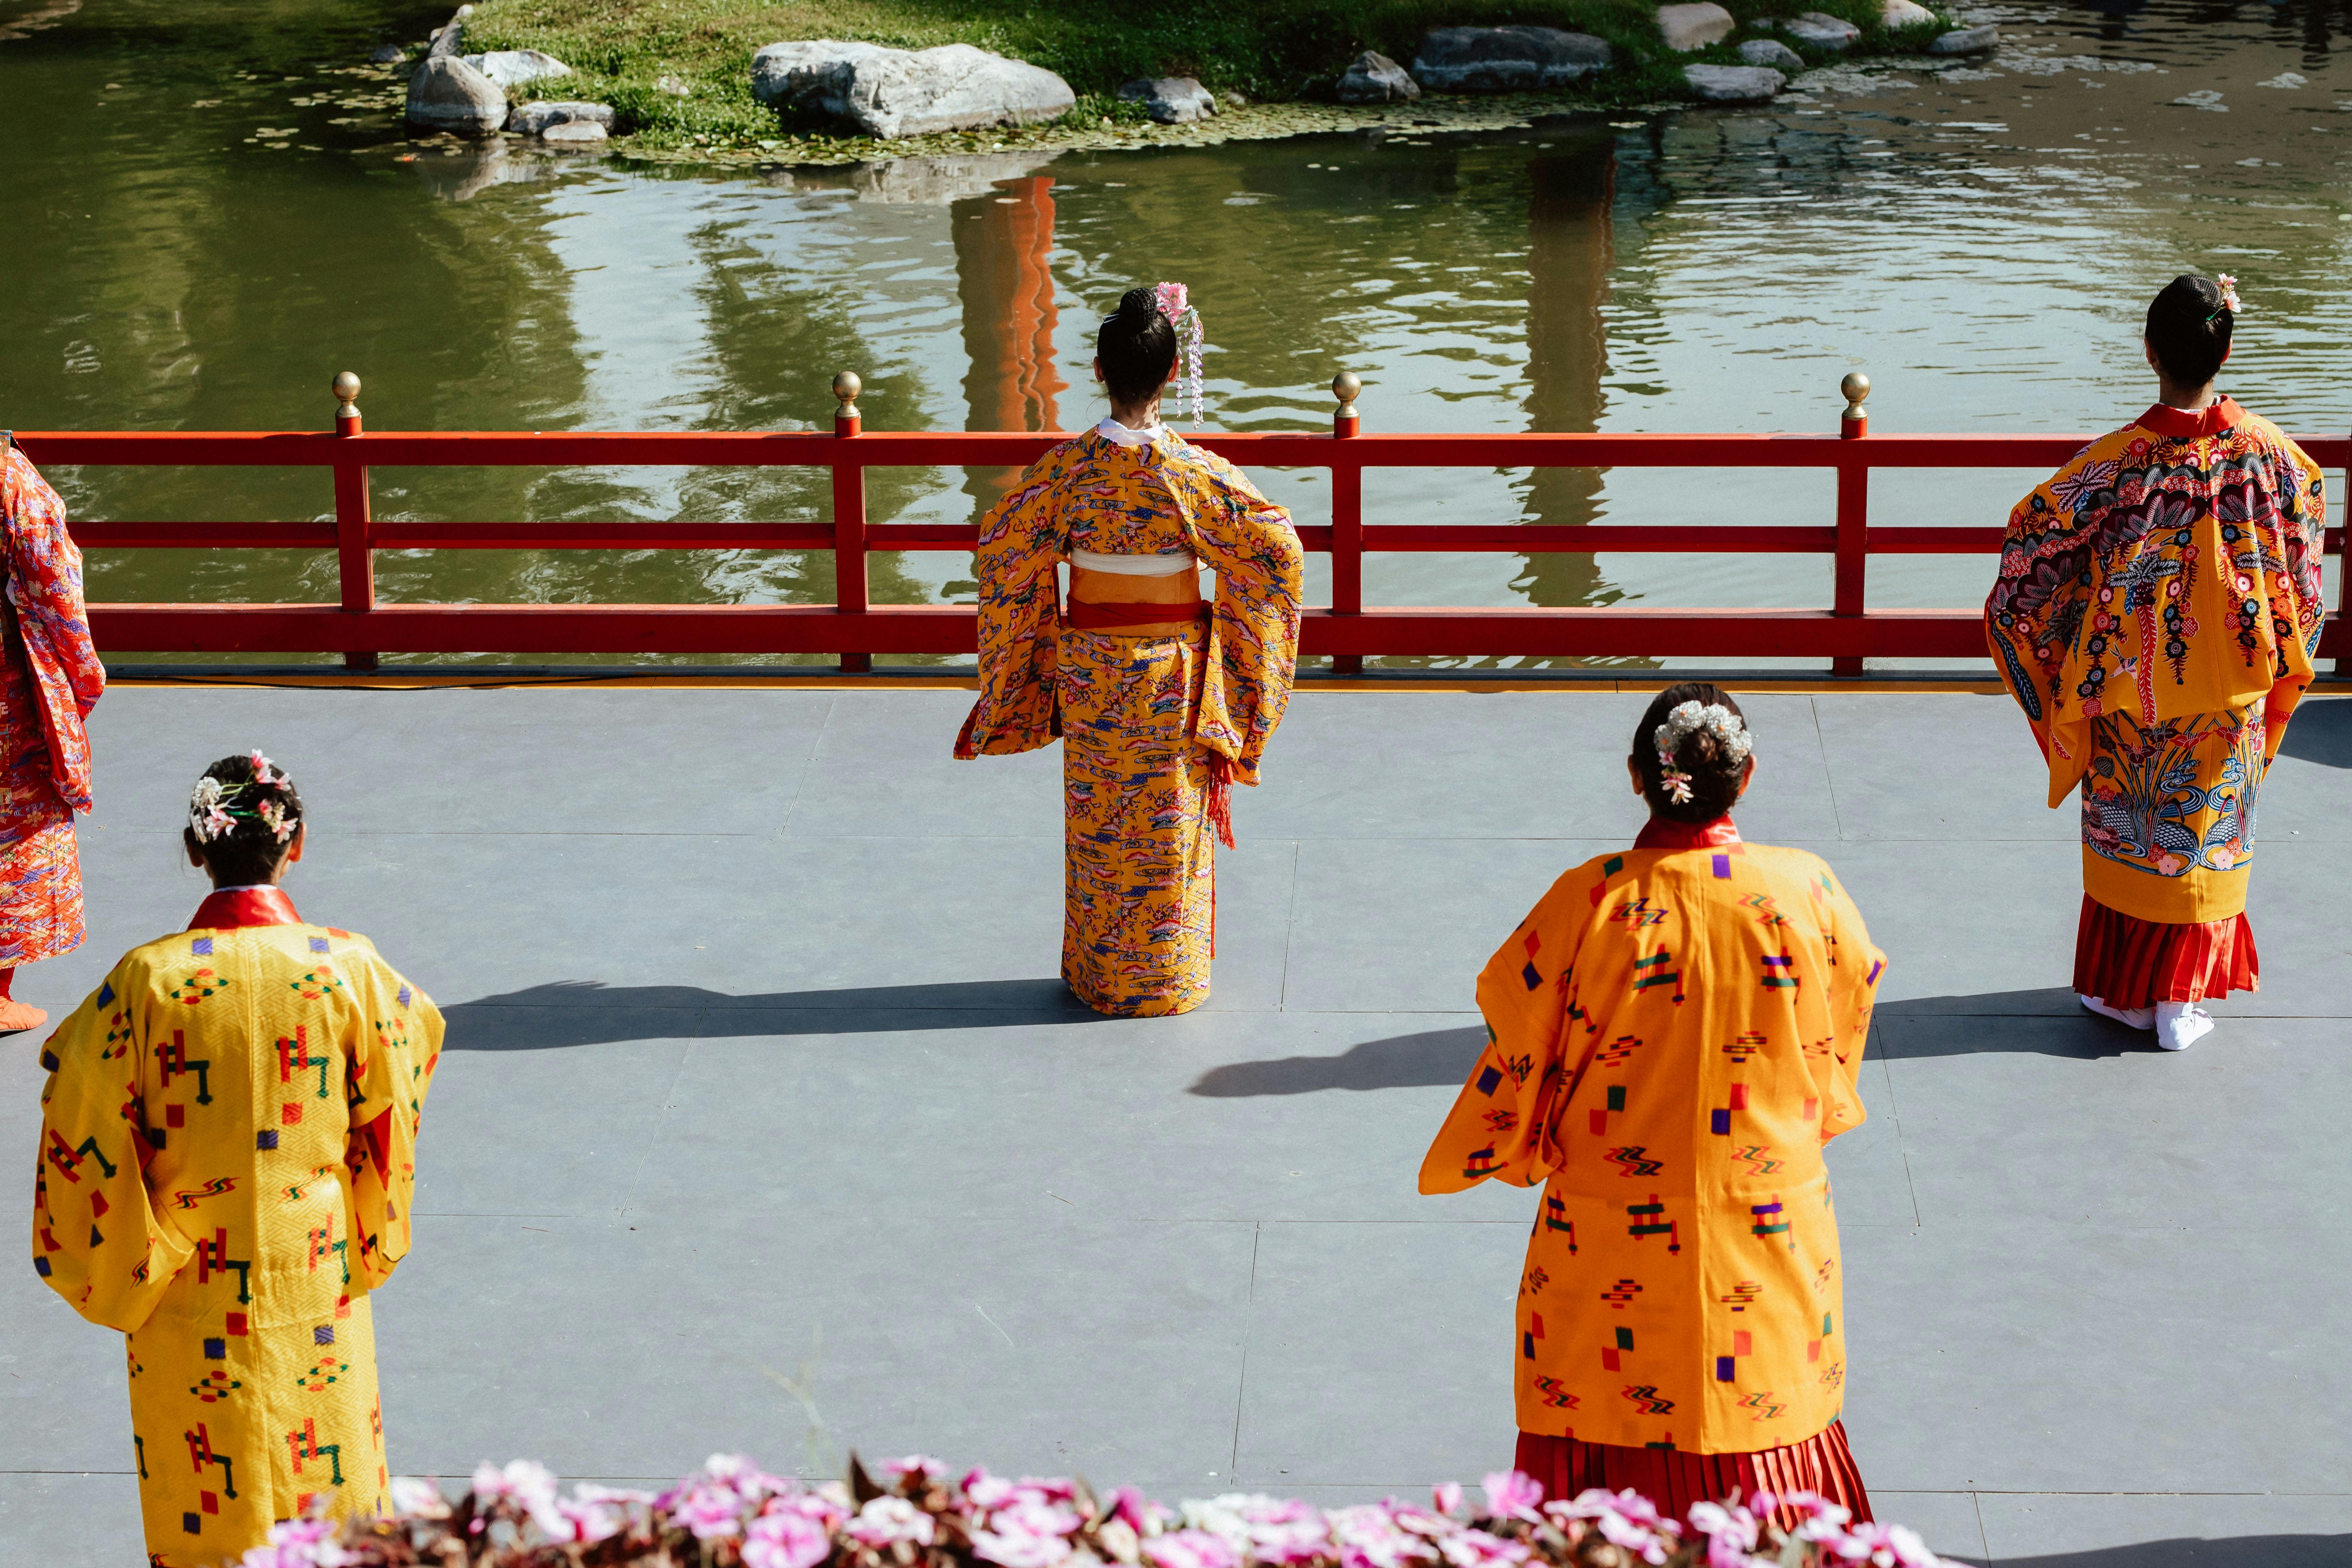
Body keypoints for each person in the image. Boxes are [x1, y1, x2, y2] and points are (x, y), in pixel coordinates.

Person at [1420, 685, 1883, 1527]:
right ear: (1747, 779)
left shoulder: (1587, 900)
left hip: (1609, 1208)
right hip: (1766, 1203)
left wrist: (1523, 1139)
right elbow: (1847, 1012)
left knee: (1600, 1390)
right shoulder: (1807, 888)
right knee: (1765, 1383)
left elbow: (1520, 1035)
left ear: (1637, 778)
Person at [32, 752, 442, 1566]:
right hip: (315, 1265)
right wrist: (362, 1221)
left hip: (187, 1276)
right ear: (297, 848)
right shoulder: (350, 969)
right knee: (330, 1486)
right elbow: (403, 1078)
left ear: (195, 849)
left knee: (204, 1487)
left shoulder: (144, 983)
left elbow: (77, 1120)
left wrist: (140, 1251)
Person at [1986, 274, 2327, 1052]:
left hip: (2130, 690)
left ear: (2149, 354)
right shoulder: (2277, 459)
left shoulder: (2110, 468)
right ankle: (2184, 1001)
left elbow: (2027, 562)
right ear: (2227, 351)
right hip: (2233, 686)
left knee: (2138, 828)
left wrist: (2077, 646)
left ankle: (2133, 997)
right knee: (2205, 829)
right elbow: (2302, 569)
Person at [955, 284, 1303, 1017]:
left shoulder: (1067, 472)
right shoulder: (1194, 475)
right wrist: (1229, 645)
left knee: (1098, 824)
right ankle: (1169, 978)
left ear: (1098, 371)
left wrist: (1037, 647)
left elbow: (1002, 548)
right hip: (1171, 675)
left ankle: (1100, 975)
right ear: (1173, 375)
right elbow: (1278, 553)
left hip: (1091, 670)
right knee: (1169, 825)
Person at [0, 434, 105, 1034]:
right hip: (4, 688)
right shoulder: (9, 479)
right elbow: (54, 586)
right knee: (13, 824)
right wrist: (80, 675)